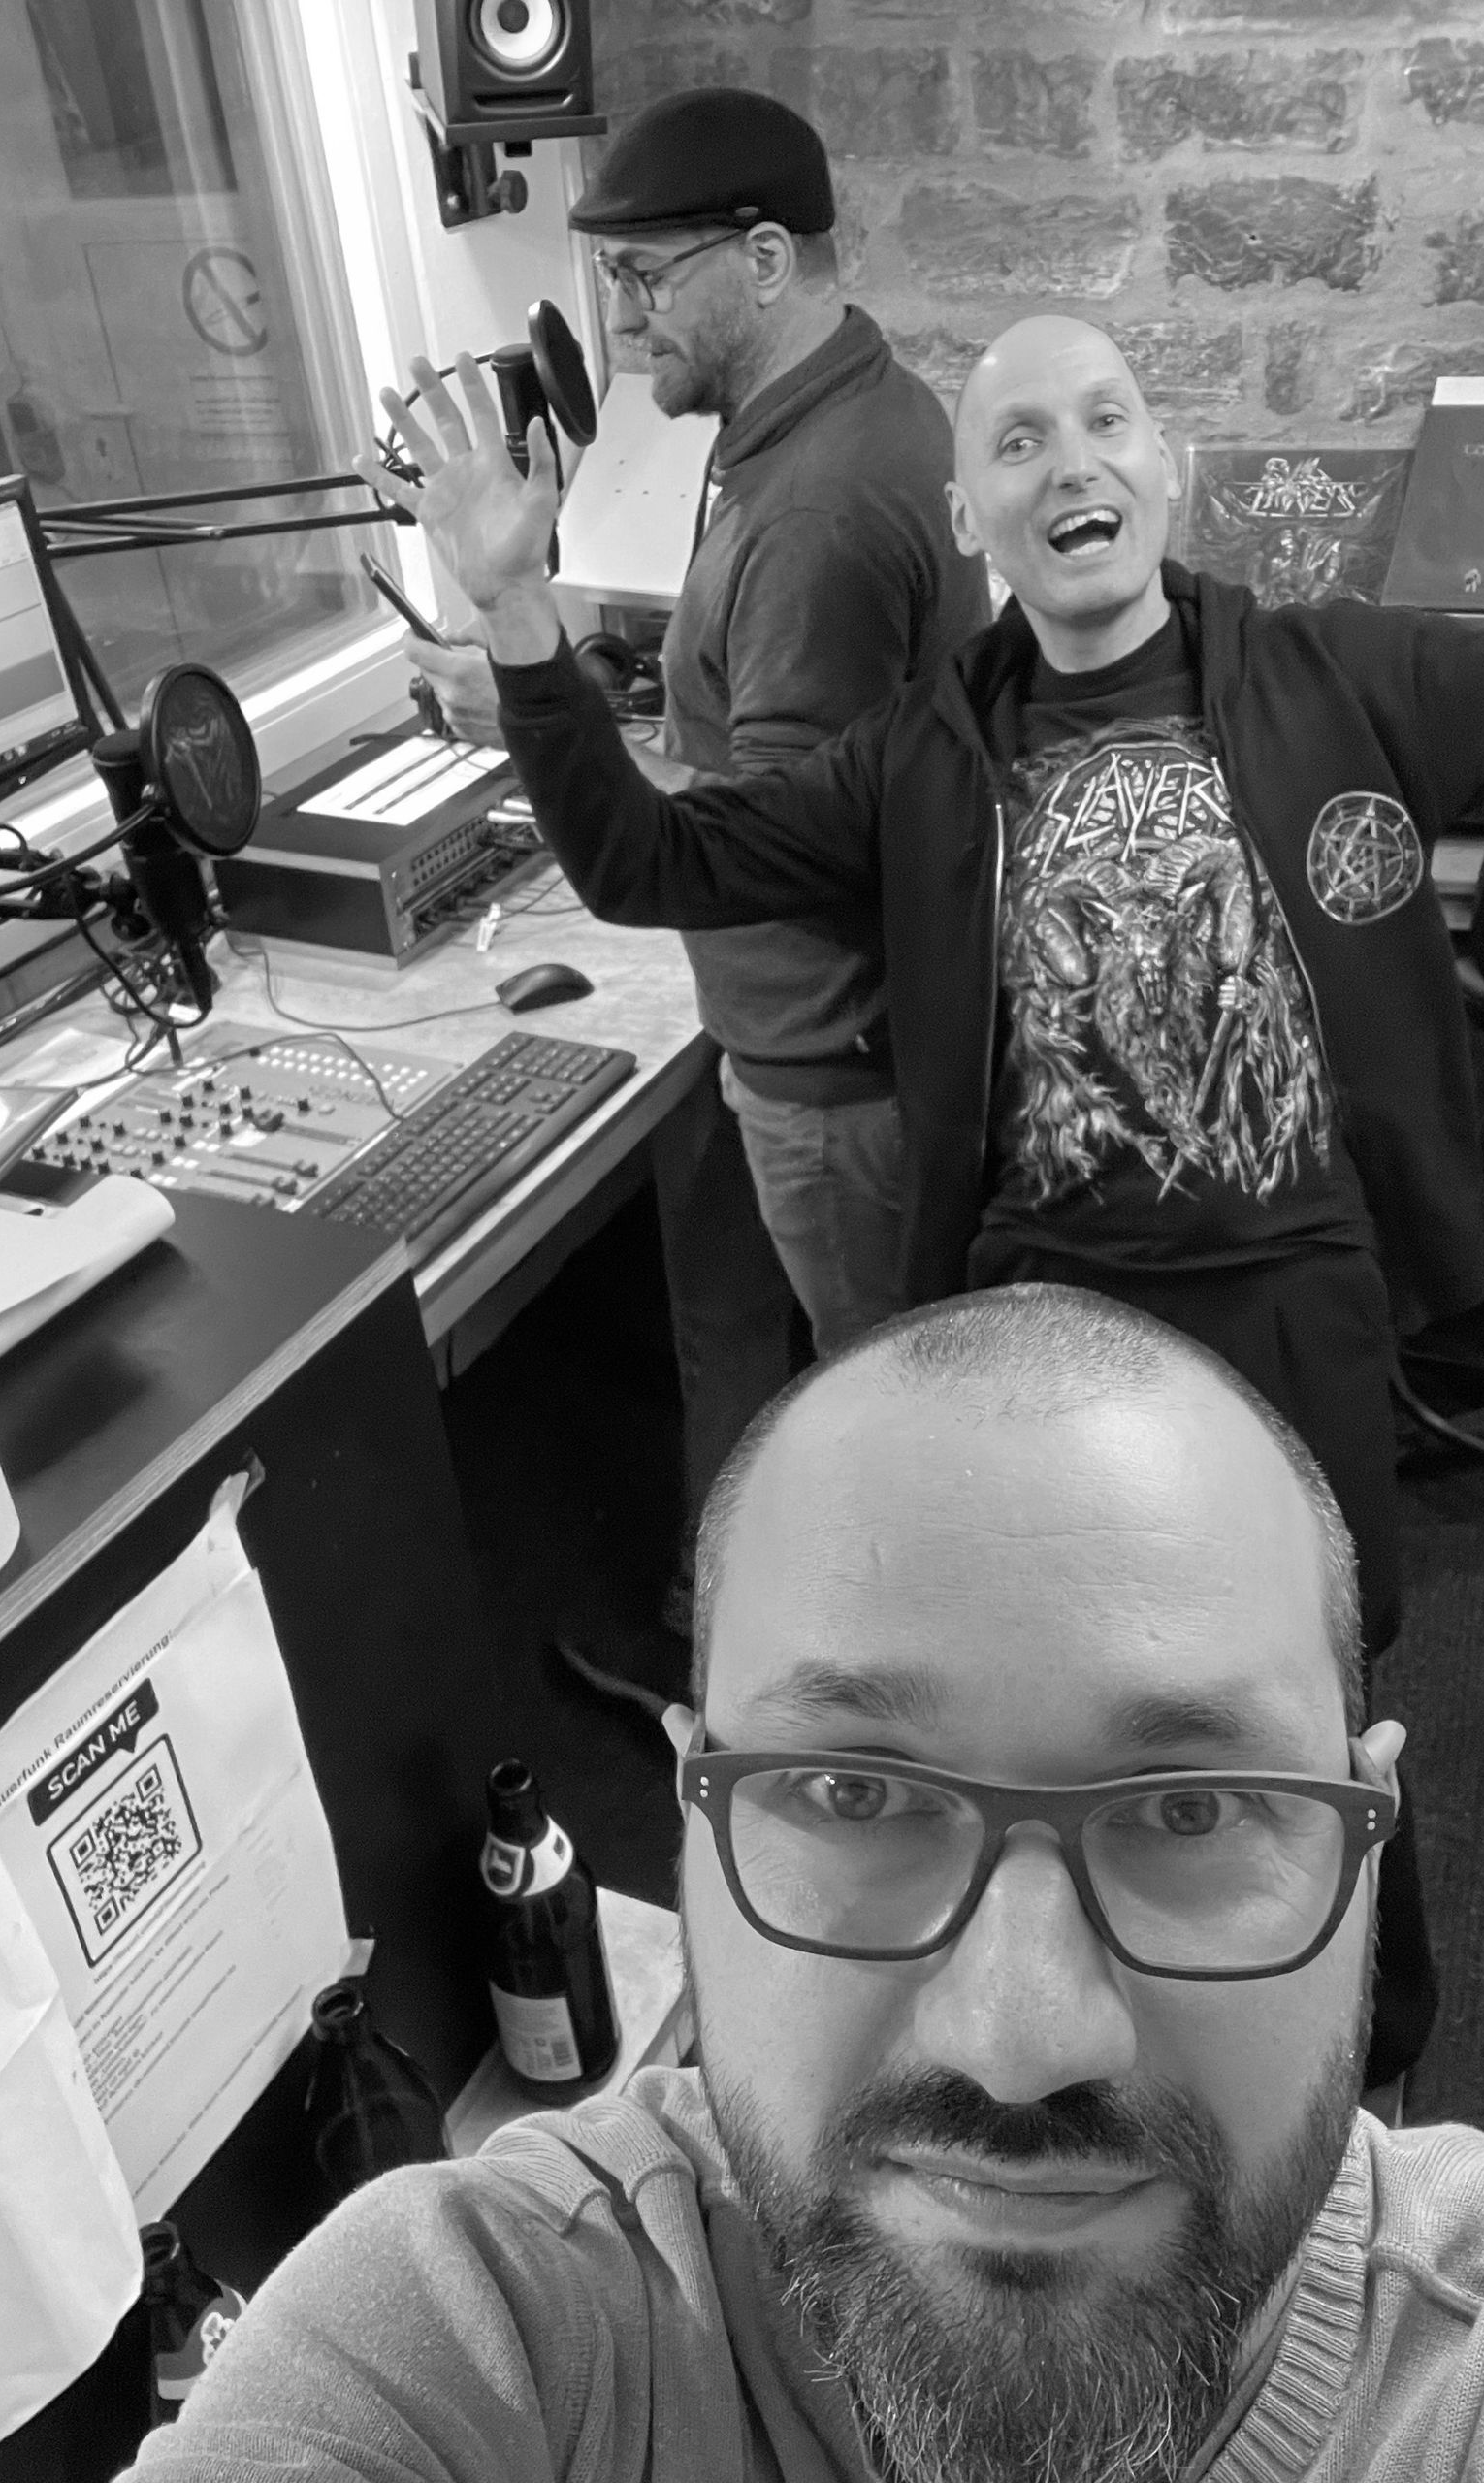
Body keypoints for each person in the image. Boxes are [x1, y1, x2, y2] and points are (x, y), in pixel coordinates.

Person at [366, 308, 1484, 2095]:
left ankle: (1363, 2054)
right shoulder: (918, 756)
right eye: (1018, 440)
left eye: (1105, 422)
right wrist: (518, 612)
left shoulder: (1336, 674)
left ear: (1168, 470)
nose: (1070, 462)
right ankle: (1112, 2042)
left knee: (1308, 1705)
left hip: (1289, 1292)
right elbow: (646, 857)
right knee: (1074, 1711)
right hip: (1045, 1315)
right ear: (970, 517)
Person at [130, 1286, 1484, 2483]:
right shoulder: (480, 2345)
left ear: (1370, 1838)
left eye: (1190, 1807)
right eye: (854, 1795)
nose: (1021, 2041)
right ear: (687, 1817)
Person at [395, 90, 987, 1630]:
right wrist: (587, 703)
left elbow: (749, 849)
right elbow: (781, 764)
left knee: (888, 1426)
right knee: (769, 1343)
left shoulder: (819, 512)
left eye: (647, 279)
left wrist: (528, 675)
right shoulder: (842, 410)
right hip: (831, 1032)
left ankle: (875, 1698)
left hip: (833, 1064)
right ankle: (737, 1612)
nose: (621, 317)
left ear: (767, 259)